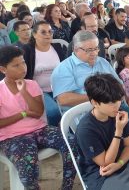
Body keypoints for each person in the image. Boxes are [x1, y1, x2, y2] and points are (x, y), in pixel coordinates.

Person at [51, 30, 129, 160]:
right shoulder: (64, 68)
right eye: (88, 50)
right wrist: (99, 98)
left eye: (96, 48)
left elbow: (118, 85)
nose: (94, 53)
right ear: (75, 48)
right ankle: (110, 163)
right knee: (108, 131)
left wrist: (115, 99)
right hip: (87, 116)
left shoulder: (102, 62)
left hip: (112, 108)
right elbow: (64, 99)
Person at [0, 46, 76, 189]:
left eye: (23, 62)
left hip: (40, 129)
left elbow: (38, 111)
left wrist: (24, 92)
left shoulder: (31, 84)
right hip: (13, 137)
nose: (23, 68)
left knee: (72, 143)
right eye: (16, 65)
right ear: (3, 69)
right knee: (28, 166)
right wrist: (23, 114)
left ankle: (67, 186)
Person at [23, 21, 65, 126]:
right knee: (53, 112)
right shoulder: (28, 51)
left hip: (60, 89)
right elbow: (24, 74)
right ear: (34, 34)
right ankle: (54, 134)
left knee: (71, 108)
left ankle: (69, 133)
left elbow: (66, 68)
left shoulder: (57, 47)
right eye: (43, 32)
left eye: (50, 32)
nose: (48, 34)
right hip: (39, 92)